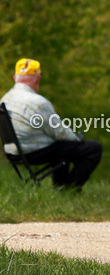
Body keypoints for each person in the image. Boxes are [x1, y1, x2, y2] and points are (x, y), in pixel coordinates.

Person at [1, 58, 102, 190]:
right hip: (32, 152)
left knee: (60, 146)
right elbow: (60, 131)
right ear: (38, 79)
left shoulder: (5, 99)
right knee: (93, 148)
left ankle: (60, 185)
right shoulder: (38, 103)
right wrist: (76, 140)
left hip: (12, 151)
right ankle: (69, 189)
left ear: (15, 78)